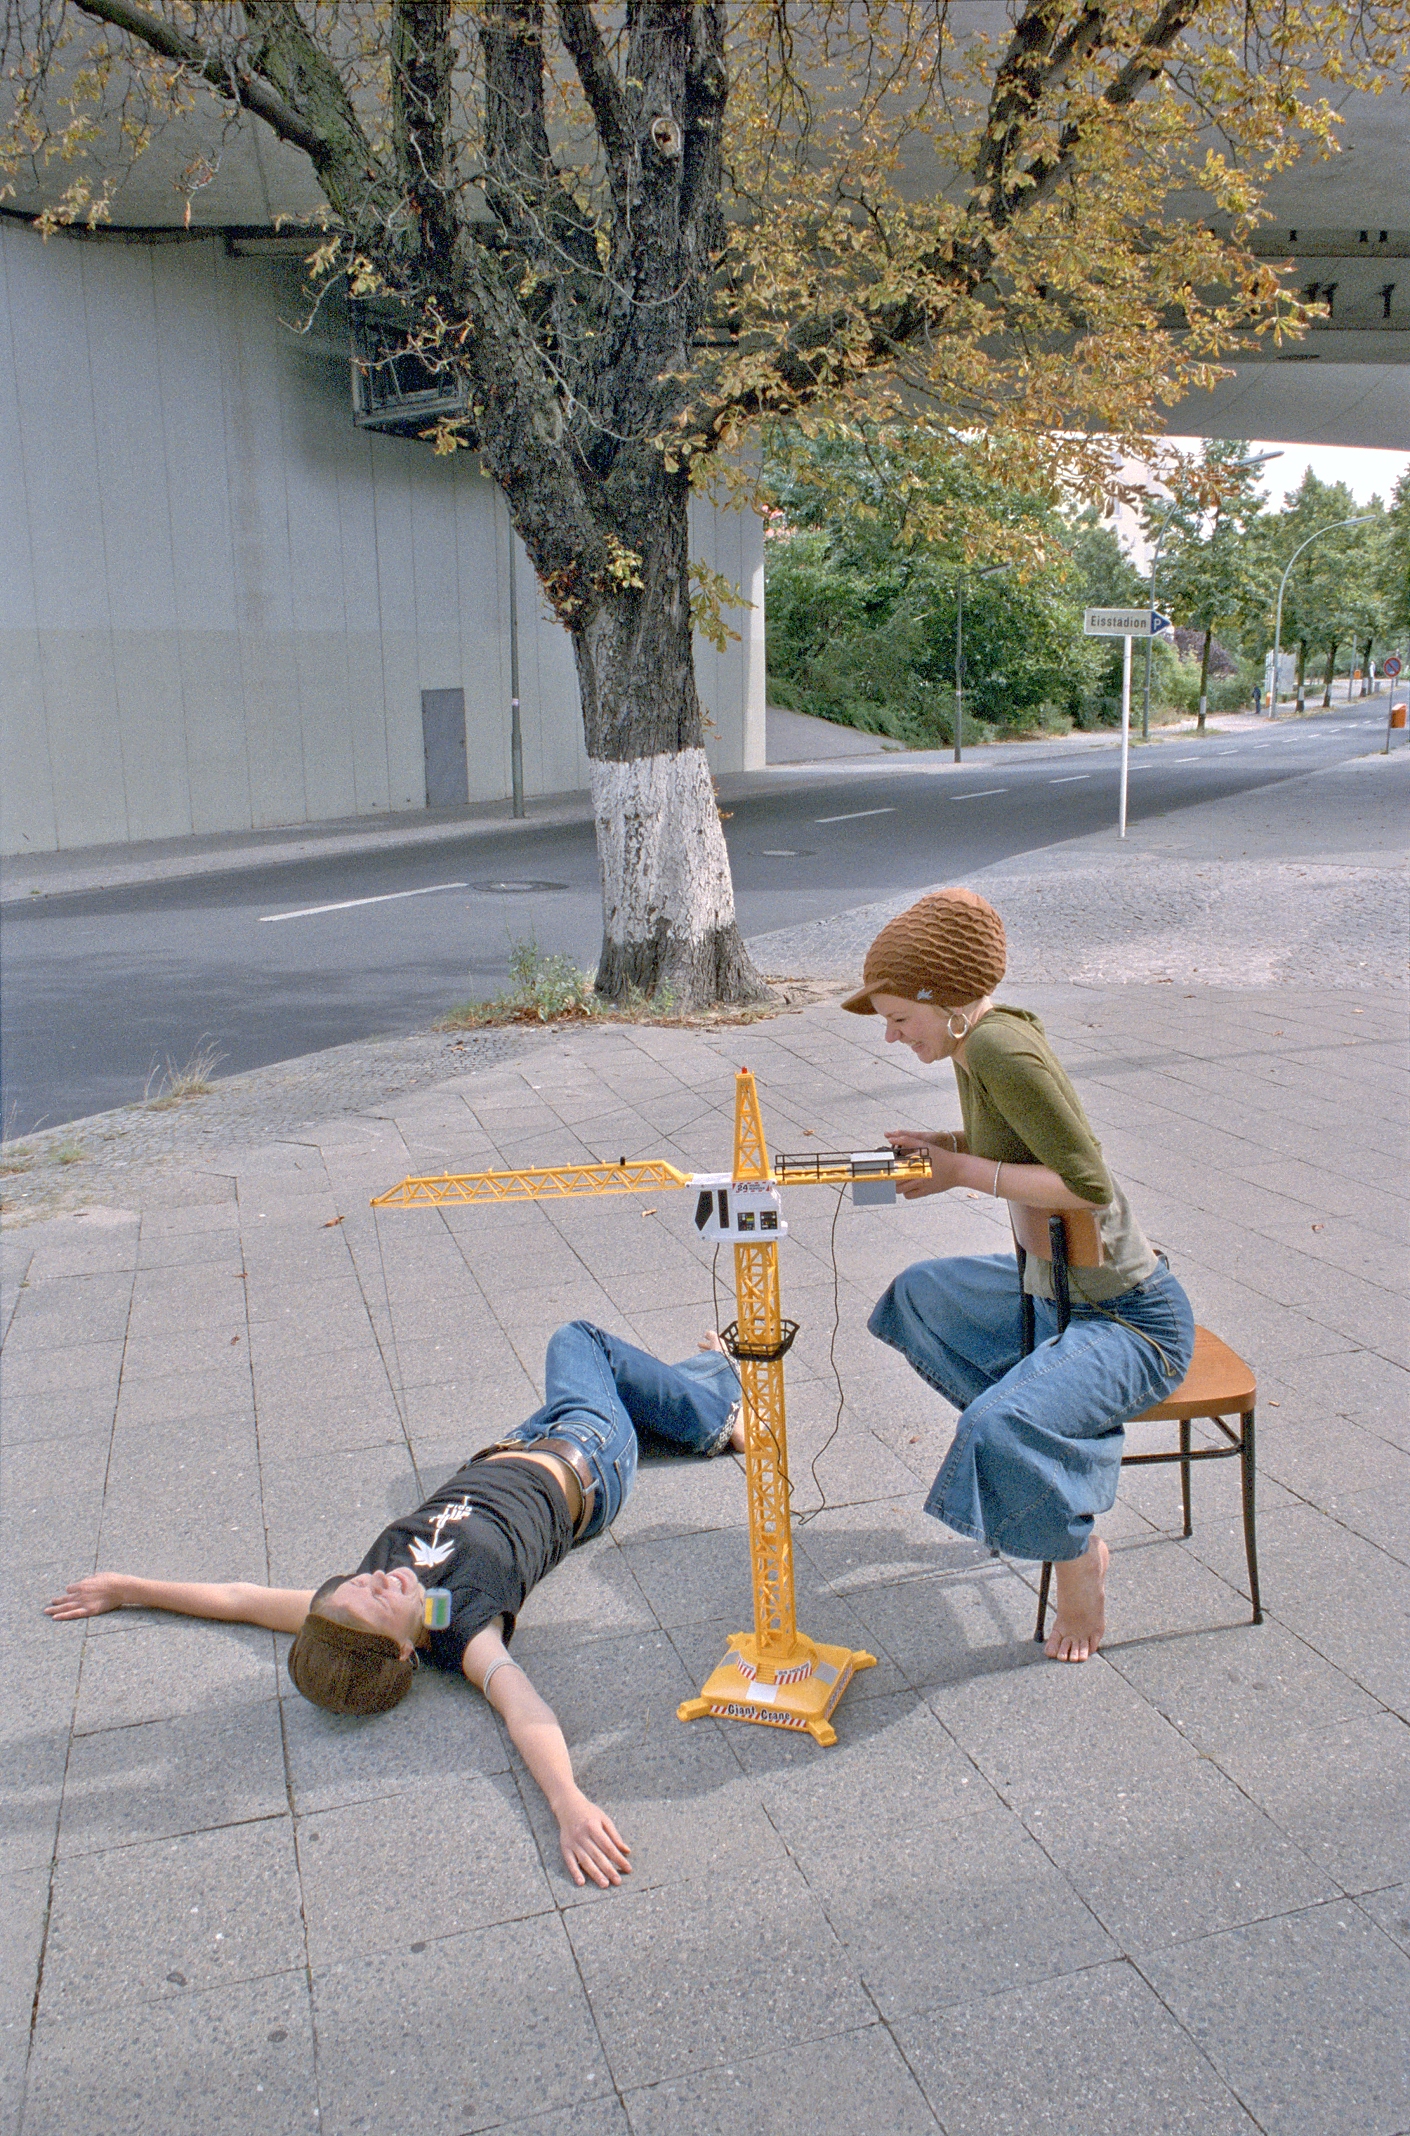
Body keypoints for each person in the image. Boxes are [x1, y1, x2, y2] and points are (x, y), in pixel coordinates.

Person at [46, 1320, 744, 1888]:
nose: (375, 1579)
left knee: (608, 1383)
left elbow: (243, 1600)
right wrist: (569, 1803)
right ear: (406, 1648)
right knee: (578, 1342)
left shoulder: (344, 1612)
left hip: (516, 1441)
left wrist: (127, 1589)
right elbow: (524, 1710)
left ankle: (695, 1384)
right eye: (379, 1596)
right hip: (589, 1459)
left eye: (355, 1584)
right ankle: (715, 1405)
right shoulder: (465, 1626)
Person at [843, 887, 1195, 1663]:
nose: (894, 1036)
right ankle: (1043, 1444)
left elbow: (1087, 1185)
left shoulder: (998, 1047)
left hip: (1133, 1320)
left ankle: (1074, 1554)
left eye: (901, 1018)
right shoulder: (976, 1044)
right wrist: (943, 1144)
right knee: (916, 1297)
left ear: (946, 1002)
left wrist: (960, 1168)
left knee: (996, 1424)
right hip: (1056, 1294)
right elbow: (1016, 1140)